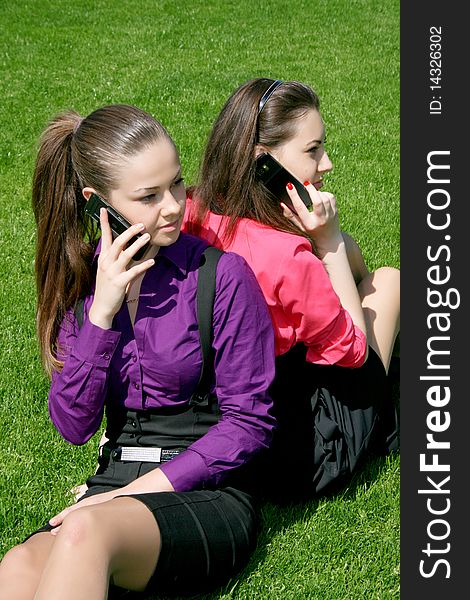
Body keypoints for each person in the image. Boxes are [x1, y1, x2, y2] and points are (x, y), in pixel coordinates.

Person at [0, 104, 276, 599]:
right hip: (115, 476)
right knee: (17, 565)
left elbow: (249, 424)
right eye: (148, 196)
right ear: (97, 203)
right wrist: (101, 314)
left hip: (206, 487)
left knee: (86, 533)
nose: (173, 206)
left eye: (175, 184)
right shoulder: (85, 284)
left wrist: (127, 496)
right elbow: (74, 425)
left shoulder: (221, 275)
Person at [184, 78, 400, 500]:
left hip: (227, 425)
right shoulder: (287, 256)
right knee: (389, 280)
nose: (328, 163)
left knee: (352, 253)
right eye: (313, 149)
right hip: (301, 455)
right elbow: (354, 355)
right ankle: (378, 425)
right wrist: (330, 243)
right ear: (264, 161)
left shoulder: (192, 212)